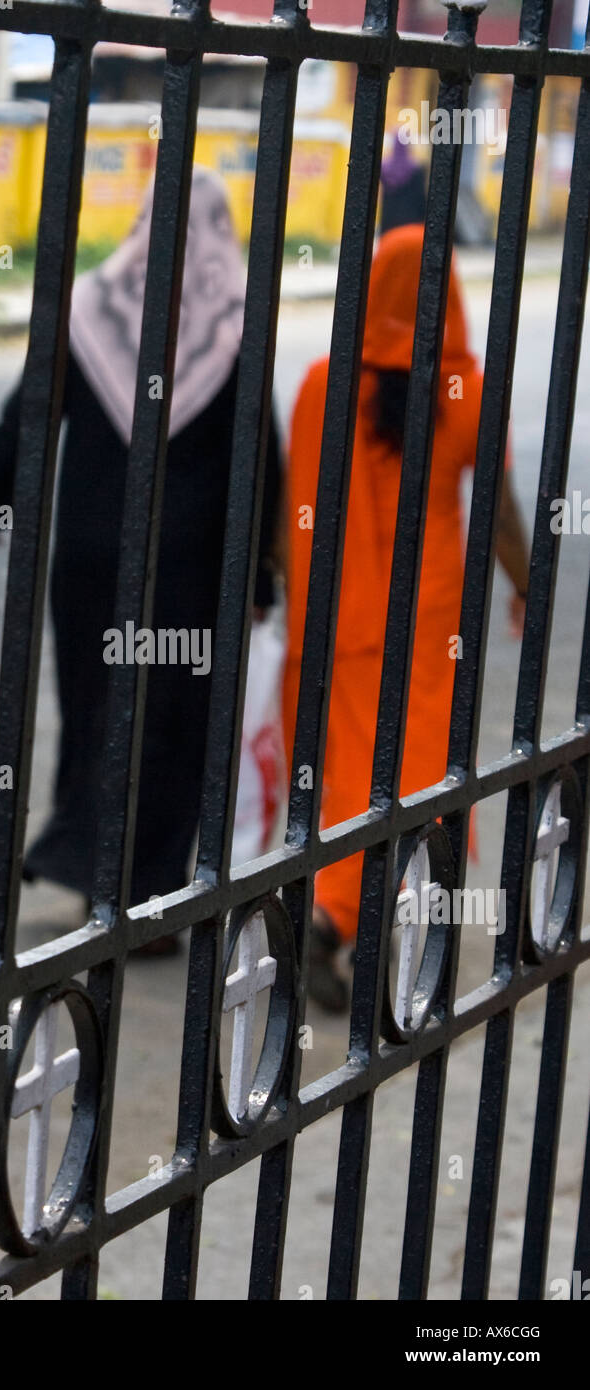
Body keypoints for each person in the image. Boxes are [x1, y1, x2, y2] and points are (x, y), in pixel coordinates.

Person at [0, 167, 281, 953]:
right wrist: (261, 575)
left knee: (97, 707)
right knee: (173, 722)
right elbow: (259, 463)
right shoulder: (235, 323)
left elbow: (31, 414)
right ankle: (153, 895)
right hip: (191, 570)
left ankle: (100, 879)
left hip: (94, 559)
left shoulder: (89, 311)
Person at [283, 223, 529, 1010]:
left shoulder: (323, 383)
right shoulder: (464, 390)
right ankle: (368, 920)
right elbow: (497, 517)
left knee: (350, 777)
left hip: (333, 622)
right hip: (427, 627)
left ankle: (334, 916)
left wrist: (290, 600)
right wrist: (530, 586)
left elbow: (292, 506)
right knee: (421, 775)